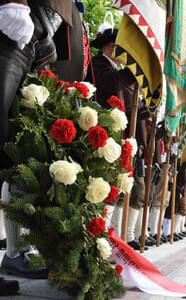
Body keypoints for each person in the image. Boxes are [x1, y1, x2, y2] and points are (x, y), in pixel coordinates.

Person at [0, 0, 87, 286]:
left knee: (16, 156)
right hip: (17, 22)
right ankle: (15, 251)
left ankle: (20, 251)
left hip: (36, 34)